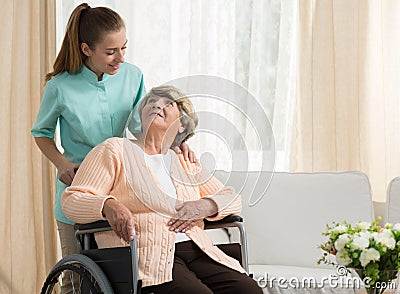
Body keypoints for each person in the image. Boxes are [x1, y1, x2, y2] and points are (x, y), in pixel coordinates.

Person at [31, 4, 194, 290]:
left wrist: (178, 145)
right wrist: (62, 164)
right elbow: (41, 133)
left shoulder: (133, 76)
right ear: (85, 49)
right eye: (110, 52)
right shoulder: (60, 86)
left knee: (118, 279)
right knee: (76, 279)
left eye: (124, 48)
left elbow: (143, 126)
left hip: (123, 188)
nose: (120, 58)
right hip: (80, 188)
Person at [62, 86, 262, 293]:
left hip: (197, 249)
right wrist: (107, 205)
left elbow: (232, 198)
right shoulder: (114, 150)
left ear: (182, 125)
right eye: (151, 102)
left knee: (248, 290)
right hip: (147, 255)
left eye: (169, 103)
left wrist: (206, 205)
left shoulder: (183, 161)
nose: (157, 104)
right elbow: (73, 199)